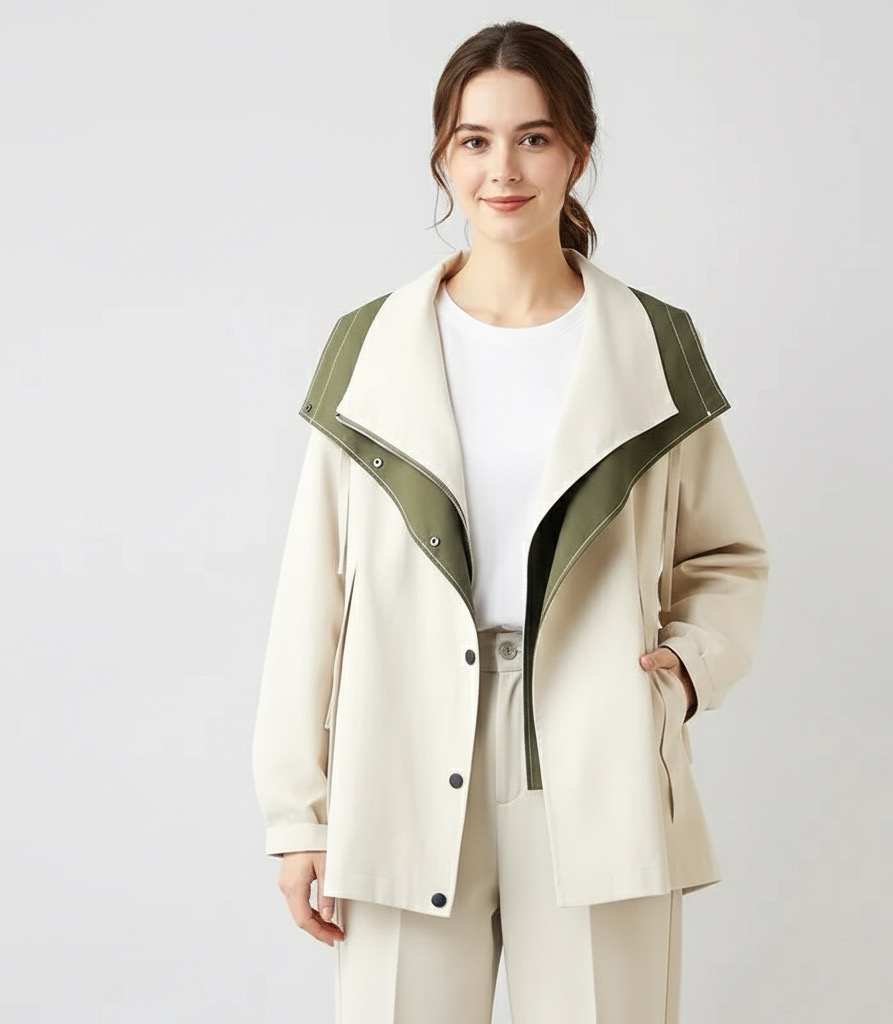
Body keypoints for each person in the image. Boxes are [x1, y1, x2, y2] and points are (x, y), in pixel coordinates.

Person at [252, 19, 769, 1024]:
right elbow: (312, 588)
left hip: (599, 741)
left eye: (533, 138)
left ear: (576, 151)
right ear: (442, 157)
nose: (503, 169)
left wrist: (685, 666)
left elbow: (727, 553)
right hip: (401, 744)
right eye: (475, 140)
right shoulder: (372, 344)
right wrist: (297, 815)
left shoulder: (650, 343)